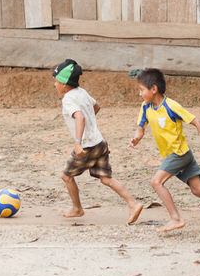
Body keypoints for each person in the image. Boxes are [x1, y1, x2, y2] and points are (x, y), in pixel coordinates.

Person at [129, 68, 200, 234]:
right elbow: (140, 127)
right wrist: (137, 137)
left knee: (156, 182)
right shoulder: (145, 107)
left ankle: (176, 218)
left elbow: (196, 121)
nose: (140, 94)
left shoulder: (171, 106)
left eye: (141, 90)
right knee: (198, 190)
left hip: (178, 154)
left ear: (154, 89)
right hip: (181, 154)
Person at [52, 58, 143, 225]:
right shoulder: (82, 92)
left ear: (64, 84)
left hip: (86, 146)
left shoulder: (68, 99)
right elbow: (96, 107)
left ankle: (77, 208)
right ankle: (133, 203)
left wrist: (78, 142)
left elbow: (79, 116)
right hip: (99, 142)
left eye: (56, 81)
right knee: (106, 178)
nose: (55, 85)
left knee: (67, 176)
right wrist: (90, 126)